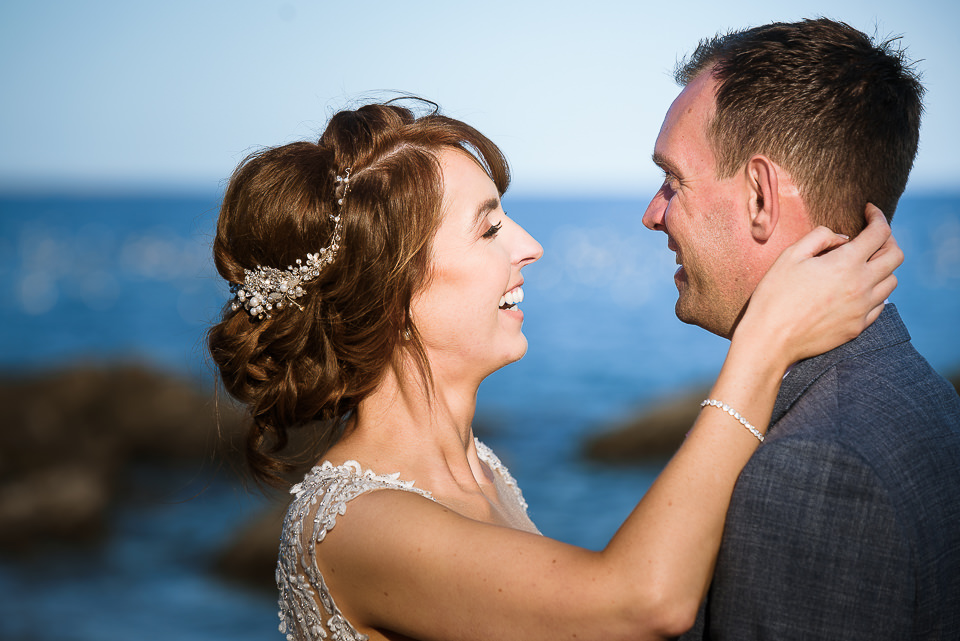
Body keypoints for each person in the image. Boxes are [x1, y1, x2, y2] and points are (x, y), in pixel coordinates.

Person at [208, 99, 900, 641]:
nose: (531, 247)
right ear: (390, 294)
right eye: (488, 228)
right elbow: (641, 601)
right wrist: (764, 343)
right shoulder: (354, 524)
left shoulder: (482, 467)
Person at [641, 19, 960, 640]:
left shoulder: (815, 467)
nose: (653, 214)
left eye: (672, 180)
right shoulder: (920, 389)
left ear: (761, 196)